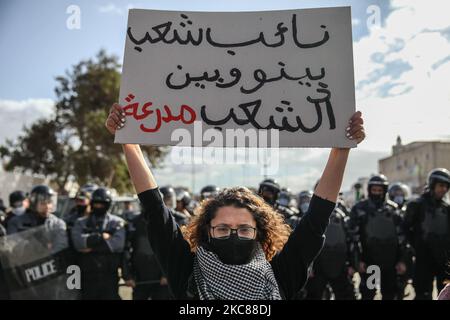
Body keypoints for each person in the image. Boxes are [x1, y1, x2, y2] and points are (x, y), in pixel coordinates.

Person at [105, 103, 365, 299]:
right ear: (207, 231)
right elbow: (154, 207)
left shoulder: (281, 273)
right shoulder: (185, 271)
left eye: (243, 229)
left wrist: (341, 148)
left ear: (259, 232)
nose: (233, 235)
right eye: (222, 229)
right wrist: (129, 142)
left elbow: (318, 217)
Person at [349, 175, 408, 300]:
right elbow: (353, 238)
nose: (377, 193)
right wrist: (357, 261)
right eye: (374, 190)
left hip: (390, 264)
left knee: (390, 294)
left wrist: (402, 260)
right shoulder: (360, 209)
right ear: (369, 190)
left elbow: (402, 238)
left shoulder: (393, 210)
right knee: (369, 294)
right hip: (371, 264)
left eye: (380, 190)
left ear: (385, 191)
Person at [71, 187, 126, 300]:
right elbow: (78, 243)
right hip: (87, 277)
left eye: (102, 204)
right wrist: (102, 237)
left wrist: (90, 247)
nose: (98, 206)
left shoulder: (117, 222)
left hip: (109, 277)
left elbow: (117, 245)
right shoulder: (81, 222)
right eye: (96, 204)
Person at [404, 168, 450, 300]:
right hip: (423, 259)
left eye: (446, 186)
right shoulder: (416, 205)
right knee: (423, 294)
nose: (444, 189)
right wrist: (415, 248)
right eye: (441, 185)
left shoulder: (446, 208)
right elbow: (405, 230)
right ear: (432, 184)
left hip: (443, 261)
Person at [305, 206, 356, 300]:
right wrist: (308, 266)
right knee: (313, 295)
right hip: (318, 266)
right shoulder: (312, 214)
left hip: (339, 264)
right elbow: (307, 243)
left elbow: (350, 242)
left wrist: (351, 264)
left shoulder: (341, 216)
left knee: (346, 295)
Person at [7, 185, 67, 252]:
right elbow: (11, 245)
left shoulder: (58, 223)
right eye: (42, 203)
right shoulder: (17, 221)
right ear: (33, 203)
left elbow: (60, 245)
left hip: (50, 261)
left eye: (49, 202)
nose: (47, 206)